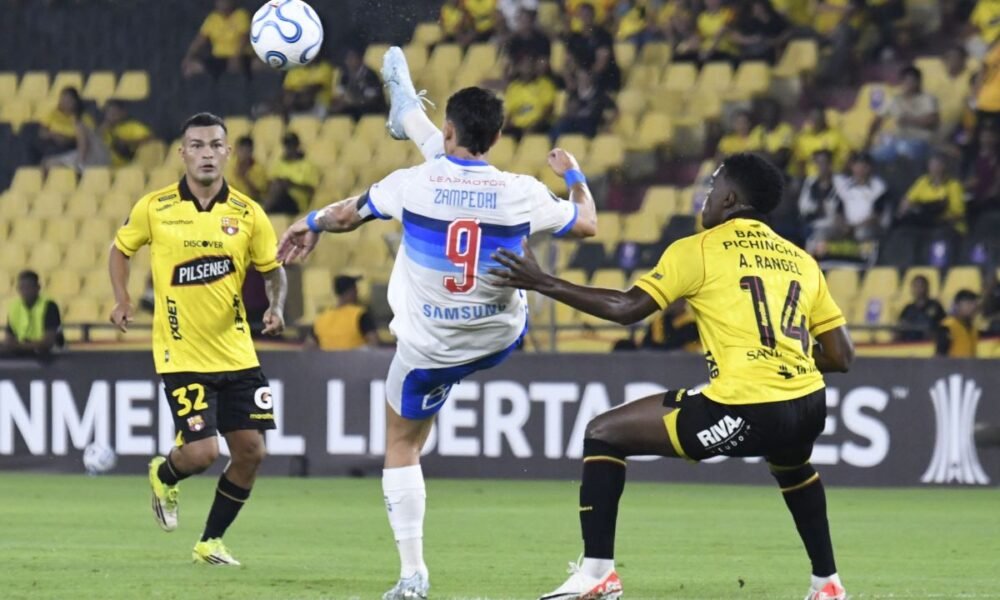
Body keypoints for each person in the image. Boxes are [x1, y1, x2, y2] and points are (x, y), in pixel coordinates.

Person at [276, 47, 597, 600]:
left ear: (450, 129)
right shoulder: (521, 192)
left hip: (428, 348)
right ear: (497, 139)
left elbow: (346, 214)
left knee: (402, 445)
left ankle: (412, 575)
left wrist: (309, 223)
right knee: (442, 172)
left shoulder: (413, 184)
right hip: (498, 337)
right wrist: (575, 175)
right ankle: (406, 112)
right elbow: (587, 222)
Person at [492, 152, 854, 600]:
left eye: (713, 185)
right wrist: (784, 359)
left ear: (732, 199)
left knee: (604, 433)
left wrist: (543, 282)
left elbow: (627, 309)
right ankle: (828, 585)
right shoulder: (802, 261)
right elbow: (840, 356)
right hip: (808, 404)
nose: (706, 194)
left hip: (747, 406)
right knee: (793, 464)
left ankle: (597, 574)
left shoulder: (698, 249)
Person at [108, 112, 288, 566]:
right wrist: (122, 298)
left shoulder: (248, 214)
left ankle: (210, 542)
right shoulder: (156, 207)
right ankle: (164, 473)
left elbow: (273, 269)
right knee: (204, 452)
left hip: (237, 352)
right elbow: (119, 249)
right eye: (197, 145)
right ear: (182, 153)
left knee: (251, 451)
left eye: (215, 145)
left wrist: (276, 305)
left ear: (227, 152)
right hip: (180, 352)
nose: (207, 153)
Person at [868, 66, 940, 164]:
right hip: (897, 141)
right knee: (873, 155)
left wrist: (910, 120)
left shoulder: (927, 99)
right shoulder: (895, 100)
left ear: (918, 82)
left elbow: (932, 121)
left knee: (903, 149)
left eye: (912, 81)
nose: (908, 84)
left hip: (920, 142)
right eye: (906, 81)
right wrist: (869, 139)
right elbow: (877, 120)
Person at [896, 153, 966, 233]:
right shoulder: (923, 181)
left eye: (937, 165)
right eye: (931, 164)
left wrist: (938, 220)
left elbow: (958, 214)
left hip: (949, 227)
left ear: (943, 166)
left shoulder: (954, 185)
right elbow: (908, 199)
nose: (933, 168)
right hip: (925, 224)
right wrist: (903, 210)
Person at [181, 0, 250, 78]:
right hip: (219, 59)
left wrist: (237, 56)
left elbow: (244, 37)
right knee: (190, 69)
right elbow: (200, 40)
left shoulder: (241, 15)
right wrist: (189, 56)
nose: (222, 4)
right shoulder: (212, 18)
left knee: (256, 65)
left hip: (241, 57)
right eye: (219, 1)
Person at [4, 270, 64, 356]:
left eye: (28, 287)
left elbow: (48, 342)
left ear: (38, 288)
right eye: (21, 288)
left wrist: (18, 346)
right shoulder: (15, 307)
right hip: (26, 353)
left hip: (51, 357)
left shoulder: (49, 306)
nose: (25, 291)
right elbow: (9, 340)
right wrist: (17, 346)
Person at [311, 275, 379, 350]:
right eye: (356, 289)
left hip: (328, 361)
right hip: (355, 361)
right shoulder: (360, 315)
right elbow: (374, 344)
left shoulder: (321, 318)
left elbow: (309, 348)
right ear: (353, 292)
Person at [566, 3, 621, 92]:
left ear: (593, 15)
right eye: (582, 15)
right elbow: (569, 61)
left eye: (588, 14)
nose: (585, 18)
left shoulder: (604, 36)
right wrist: (570, 79)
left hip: (602, 80)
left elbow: (601, 63)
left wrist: (588, 77)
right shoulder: (574, 37)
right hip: (582, 78)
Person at [548, 68, 616, 140]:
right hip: (574, 122)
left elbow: (613, 109)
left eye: (584, 77)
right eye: (580, 78)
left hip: (591, 123)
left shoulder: (599, 94)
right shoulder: (574, 93)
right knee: (559, 126)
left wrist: (606, 124)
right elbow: (568, 110)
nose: (582, 80)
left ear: (590, 78)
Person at [264, 132, 320, 216]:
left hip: (297, 203)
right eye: (287, 146)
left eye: (291, 146)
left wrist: (291, 184)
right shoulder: (279, 163)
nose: (289, 149)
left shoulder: (307, 165)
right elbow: (271, 183)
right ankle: (265, 209)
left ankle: (264, 210)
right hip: (279, 200)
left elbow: (311, 189)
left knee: (278, 187)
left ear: (297, 146)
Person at [504, 55, 558, 138]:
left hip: (539, 124)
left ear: (534, 67)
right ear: (519, 67)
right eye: (525, 65)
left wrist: (534, 125)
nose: (528, 68)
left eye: (530, 65)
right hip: (518, 128)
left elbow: (549, 109)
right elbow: (509, 114)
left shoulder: (545, 84)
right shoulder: (513, 87)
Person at [329, 46, 387, 119]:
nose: (348, 61)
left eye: (352, 58)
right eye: (347, 59)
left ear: (360, 59)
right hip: (352, 109)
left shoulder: (370, 75)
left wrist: (351, 102)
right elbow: (340, 95)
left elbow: (372, 99)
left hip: (372, 110)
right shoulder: (345, 76)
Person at [99, 100, 153, 167]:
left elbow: (150, 139)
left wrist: (128, 142)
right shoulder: (102, 129)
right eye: (108, 112)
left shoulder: (132, 126)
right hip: (105, 168)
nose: (111, 116)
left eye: (114, 112)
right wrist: (102, 129)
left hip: (128, 167)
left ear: (123, 113)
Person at [897, 275, 946, 341]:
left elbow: (944, 325)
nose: (918, 289)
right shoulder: (908, 309)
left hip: (929, 344)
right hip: (909, 344)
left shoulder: (935, 306)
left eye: (921, 286)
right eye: (915, 286)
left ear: (927, 288)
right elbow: (901, 325)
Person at [936, 289, 980, 357]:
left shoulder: (973, 329)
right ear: (957, 306)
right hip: (952, 367)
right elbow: (940, 357)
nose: (973, 308)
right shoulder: (947, 327)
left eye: (974, 304)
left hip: (971, 366)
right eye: (968, 304)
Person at [226, 136, 268, 201]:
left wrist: (244, 178)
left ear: (251, 151)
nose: (243, 154)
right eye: (240, 150)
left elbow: (258, 195)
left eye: (246, 151)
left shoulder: (259, 169)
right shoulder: (232, 165)